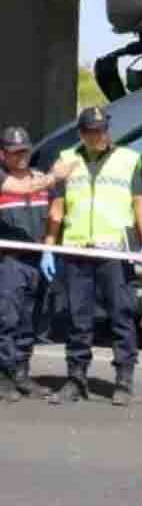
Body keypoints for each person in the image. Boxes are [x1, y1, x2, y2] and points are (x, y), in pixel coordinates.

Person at [45, 107, 142, 407]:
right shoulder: (67, 160)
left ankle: (123, 380)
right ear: (82, 133)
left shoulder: (127, 160)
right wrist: (50, 245)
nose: (101, 135)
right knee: (78, 319)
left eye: (104, 129)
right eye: (94, 131)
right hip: (77, 251)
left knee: (121, 315)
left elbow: (139, 203)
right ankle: (76, 379)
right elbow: (58, 207)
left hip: (115, 252)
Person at [0, 127, 74, 402]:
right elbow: (22, 188)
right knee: (6, 319)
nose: (21, 156)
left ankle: (21, 372)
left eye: (25, 151)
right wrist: (55, 176)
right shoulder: (5, 179)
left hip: (36, 261)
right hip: (8, 262)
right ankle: (3, 375)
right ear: (3, 154)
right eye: (15, 152)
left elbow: (55, 211)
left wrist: (49, 249)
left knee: (30, 321)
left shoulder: (41, 180)